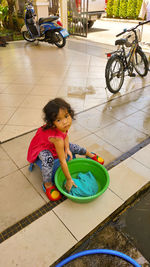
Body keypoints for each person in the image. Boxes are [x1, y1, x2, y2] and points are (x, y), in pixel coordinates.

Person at [27, 98, 104, 201]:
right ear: (53, 123)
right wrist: (69, 179)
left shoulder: (62, 127)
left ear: (69, 114)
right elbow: (63, 161)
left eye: (66, 116)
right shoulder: (57, 139)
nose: (65, 122)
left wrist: (67, 148)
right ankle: (48, 184)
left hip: (54, 143)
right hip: (42, 147)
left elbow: (65, 135)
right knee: (48, 160)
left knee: (73, 147)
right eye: (59, 120)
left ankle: (90, 154)